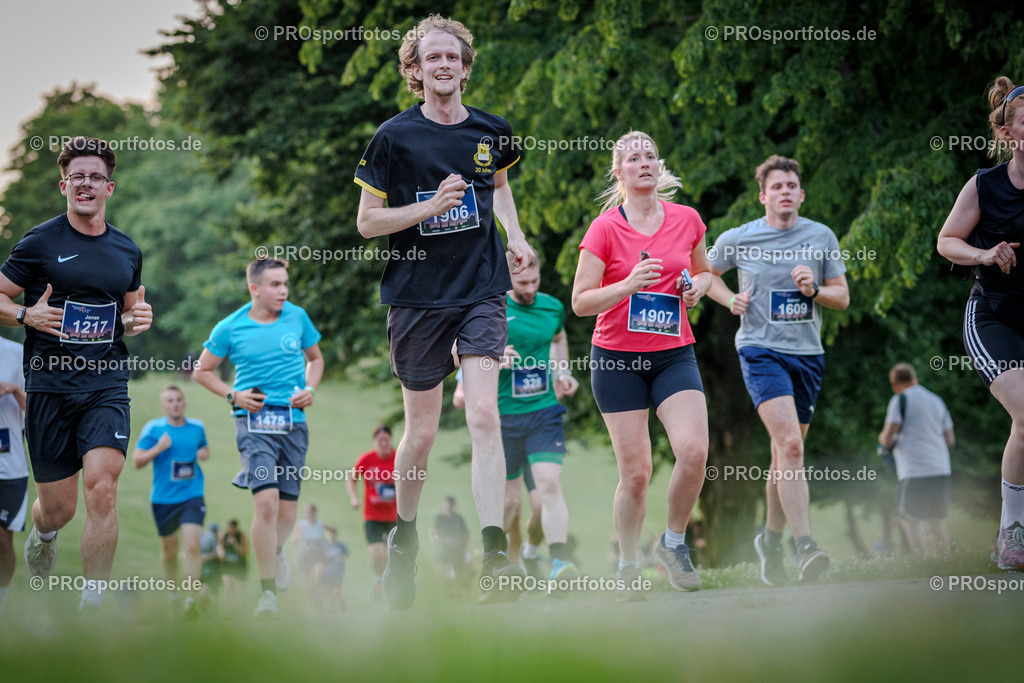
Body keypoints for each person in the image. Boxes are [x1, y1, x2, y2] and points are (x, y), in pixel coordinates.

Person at [353, 14, 535, 608]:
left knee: (484, 412)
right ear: (415, 69)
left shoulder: (491, 131)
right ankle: (403, 542)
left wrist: (516, 235)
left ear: (464, 66)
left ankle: (494, 557)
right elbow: (367, 223)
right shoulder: (393, 138)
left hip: (481, 287)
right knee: (423, 433)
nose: (443, 66)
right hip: (416, 297)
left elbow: (500, 185)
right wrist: (429, 207)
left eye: (452, 57)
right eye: (431, 58)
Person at [0, 137, 152, 614]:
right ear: (64, 184)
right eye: (77, 176)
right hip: (48, 386)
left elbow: (131, 309)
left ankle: (93, 606)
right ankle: (44, 533)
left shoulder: (127, 250)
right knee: (59, 508)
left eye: (95, 176)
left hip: (106, 384)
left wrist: (138, 318)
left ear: (110, 186)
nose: (86, 184)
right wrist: (26, 317)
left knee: (103, 488)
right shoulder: (40, 242)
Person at [571, 130, 711, 601]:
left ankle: (672, 544)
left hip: (673, 353)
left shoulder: (688, 219)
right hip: (617, 360)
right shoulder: (604, 229)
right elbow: (581, 302)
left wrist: (698, 289)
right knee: (636, 473)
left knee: (693, 451)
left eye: (651, 155)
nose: (644, 162)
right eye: (634, 158)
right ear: (620, 172)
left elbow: (705, 271)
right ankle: (628, 563)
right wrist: (628, 284)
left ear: (659, 165)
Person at [707, 154, 850, 587]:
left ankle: (768, 541)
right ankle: (805, 547)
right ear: (763, 195)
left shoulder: (821, 236)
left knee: (783, 455)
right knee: (789, 446)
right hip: (759, 350)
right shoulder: (740, 238)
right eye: (777, 187)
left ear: (801, 194)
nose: (785, 192)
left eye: (791, 186)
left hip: (807, 355)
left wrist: (814, 289)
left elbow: (841, 297)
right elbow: (703, 273)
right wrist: (728, 298)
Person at [193, 258, 323, 618]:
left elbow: (316, 359)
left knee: (287, 511)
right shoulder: (230, 327)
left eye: (285, 284)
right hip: (253, 425)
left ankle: (277, 552)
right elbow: (202, 371)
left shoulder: (298, 317)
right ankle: (268, 595)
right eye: (275, 285)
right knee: (264, 504)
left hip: (293, 424)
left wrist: (310, 388)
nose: (283, 291)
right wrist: (233, 395)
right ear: (255, 288)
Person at [937, 76, 1024, 571]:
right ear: (1008, 133)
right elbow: (947, 241)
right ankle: (1012, 531)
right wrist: (986, 253)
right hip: (994, 314)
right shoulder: (984, 185)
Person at [494, 254, 580, 591]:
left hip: (544, 411)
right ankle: (496, 562)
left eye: (534, 281)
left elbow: (558, 340)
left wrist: (563, 372)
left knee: (548, 487)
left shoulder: (552, 307)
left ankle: (558, 563)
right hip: (502, 416)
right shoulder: (492, 309)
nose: (529, 289)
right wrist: (493, 355)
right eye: (522, 283)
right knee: (509, 502)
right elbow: (462, 349)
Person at [132, 384, 209, 618]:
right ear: (163, 405)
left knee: (193, 546)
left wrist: (204, 453)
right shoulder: (153, 429)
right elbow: (137, 461)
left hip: (192, 495)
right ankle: (173, 590)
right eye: (170, 400)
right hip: (164, 499)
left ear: (184, 403)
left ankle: (190, 600)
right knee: (170, 552)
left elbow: (203, 449)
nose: (175, 404)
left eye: (178, 400)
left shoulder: (197, 427)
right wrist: (159, 447)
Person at [877, 364, 955, 552]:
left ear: (895, 385)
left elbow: (887, 438)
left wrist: (882, 441)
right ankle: (947, 561)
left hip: (915, 470)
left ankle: (923, 562)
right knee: (935, 520)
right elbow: (950, 439)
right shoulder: (936, 400)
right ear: (915, 379)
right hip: (941, 468)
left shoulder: (900, 399)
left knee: (909, 519)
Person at [345, 424, 398, 601]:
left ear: (390, 440)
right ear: (374, 441)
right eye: (379, 440)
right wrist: (354, 498)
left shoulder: (399, 458)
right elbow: (351, 479)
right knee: (377, 554)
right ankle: (379, 579)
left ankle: (393, 584)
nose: (383, 443)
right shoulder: (366, 459)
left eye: (386, 439)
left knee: (394, 555)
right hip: (373, 516)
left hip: (395, 515)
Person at [0, 337, 28, 614]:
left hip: (10, 466)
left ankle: (2, 600)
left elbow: (36, 412)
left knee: (2, 539)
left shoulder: (16, 353)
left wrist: (12, 389)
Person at [431, 495, 470, 596]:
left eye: (451, 505)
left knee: (459, 571)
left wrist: (463, 547)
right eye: (447, 504)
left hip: (456, 549)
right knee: (441, 570)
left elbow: (465, 535)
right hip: (443, 549)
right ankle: (443, 591)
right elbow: (434, 534)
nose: (449, 507)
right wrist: (442, 541)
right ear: (444, 505)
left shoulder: (459, 518)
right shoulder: (439, 518)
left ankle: (458, 591)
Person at [293, 503, 327, 611]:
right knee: (309, 585)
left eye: (311, 512)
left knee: (316, 580)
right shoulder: (300, 525)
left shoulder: (320, 525)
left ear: (315, 513)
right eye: (306, 512)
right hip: (305, 557)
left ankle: (321, 604)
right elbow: (293, 543)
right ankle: (316, 605)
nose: (309, 514)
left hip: (318, 555)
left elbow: (327, 539)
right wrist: (299, 532)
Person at [320, 526, 349, 613]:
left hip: (339, 572)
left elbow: (347, 555)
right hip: (328, 572)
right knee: (329, 591)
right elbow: (321, 558)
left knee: (336, 590)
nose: (331, 536)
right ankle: (335, 606)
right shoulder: (324, 546)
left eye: (332, 534)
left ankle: (339, 607)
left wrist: (340, 558)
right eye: (329, 534)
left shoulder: (341, 545)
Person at [199, 522, 222, 598]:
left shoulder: (203, 537)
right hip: (210, 572)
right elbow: (220, 554)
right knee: (211, 593)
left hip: (202, 570)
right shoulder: (214, 539)